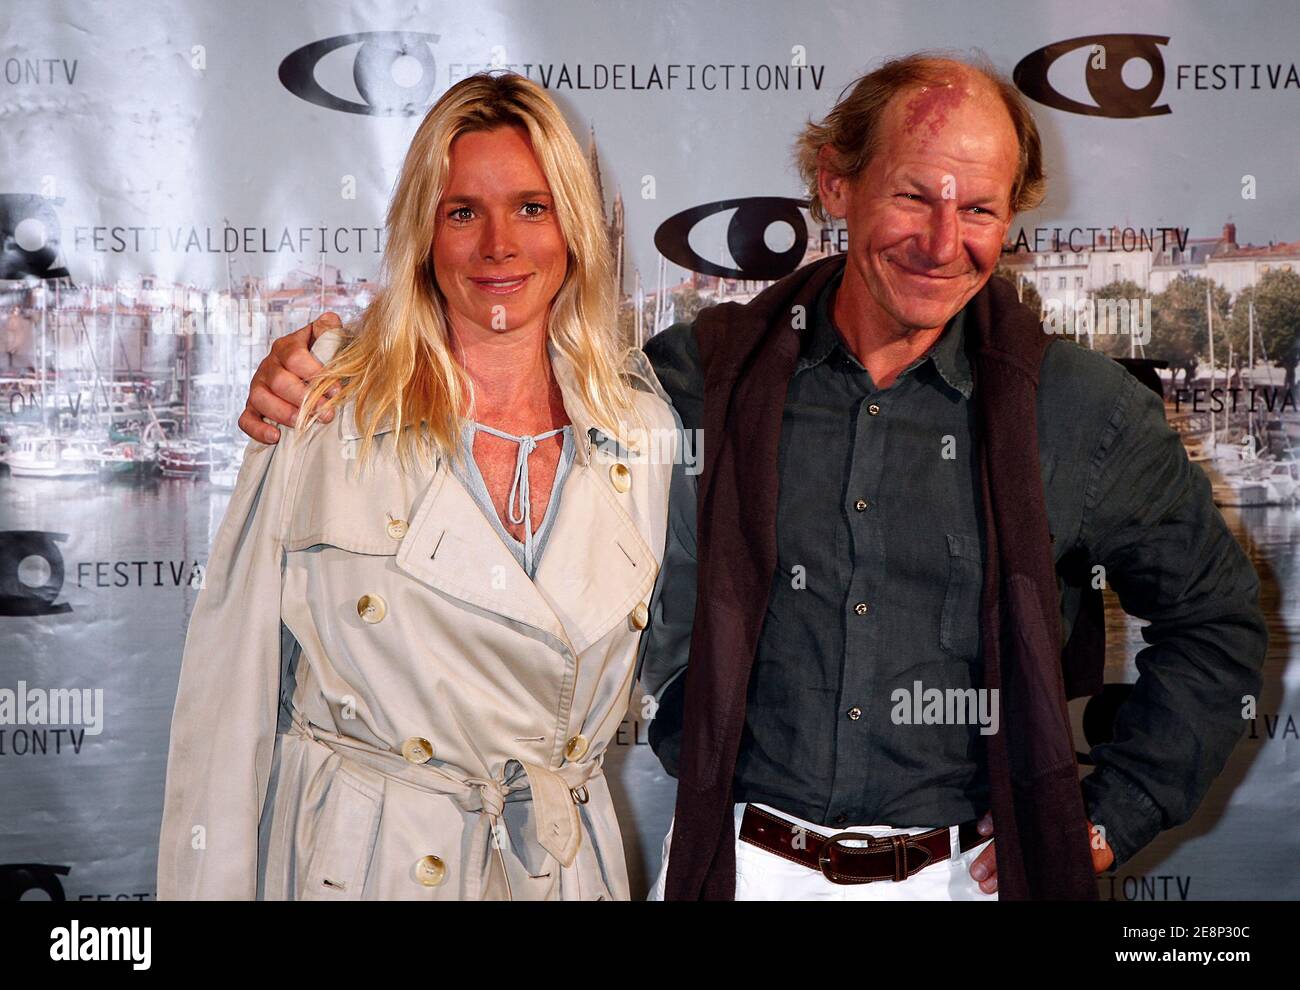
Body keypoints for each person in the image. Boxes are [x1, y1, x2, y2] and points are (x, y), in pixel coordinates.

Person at [239, 53, 1267, 902]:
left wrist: (1104, 815)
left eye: (981, 211)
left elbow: (1217, 622)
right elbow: (502, 363)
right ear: (835, 182)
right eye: (912, 194)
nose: (942, 243)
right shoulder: (697, 379)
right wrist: (328, 360)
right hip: (738, 869)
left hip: (974, 882)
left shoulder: (1077, 411)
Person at [157, 71, 679, 900]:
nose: (498, 245)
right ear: (422, 235)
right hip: (367, 865)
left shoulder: (643, 433)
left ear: (575, 227)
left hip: (559, 868)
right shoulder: (325, 404)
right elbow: (230, 705)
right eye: (462, 211)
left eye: (531, 208)